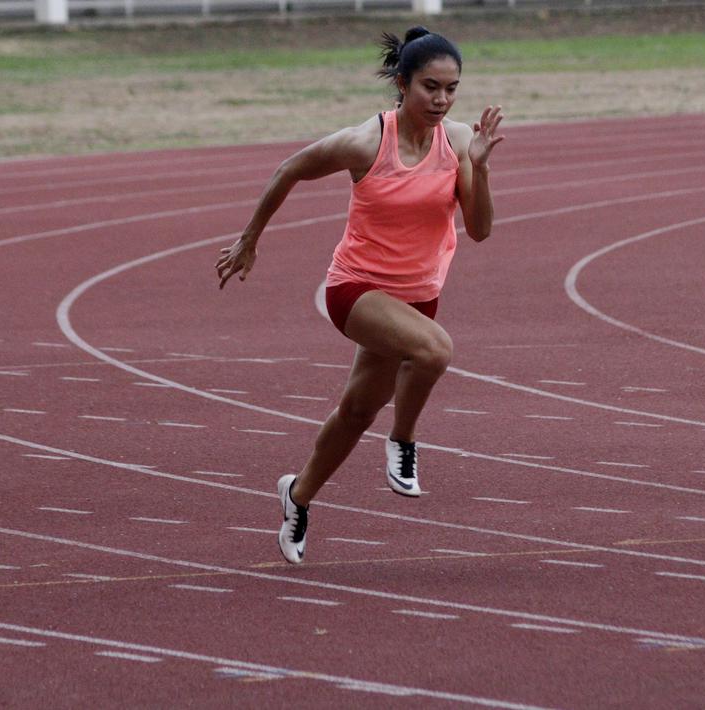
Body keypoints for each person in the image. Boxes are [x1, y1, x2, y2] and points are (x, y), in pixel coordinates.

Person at [215, 26, 504, 564]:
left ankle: (297, 496)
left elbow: (481, 229)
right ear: (402, 83)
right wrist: (249, 240)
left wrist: (481, 168)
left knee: (354, 411)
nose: (441, 100)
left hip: (417, 296)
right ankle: (404, 442)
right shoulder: (366, 142)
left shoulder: (461, 143)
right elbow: (290, 169)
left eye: (451, 88)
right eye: (429, 87)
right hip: (356, 288)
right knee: (435, 351)